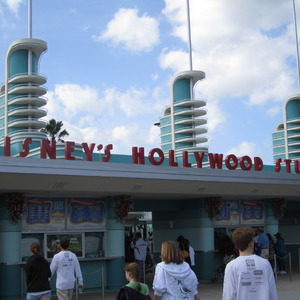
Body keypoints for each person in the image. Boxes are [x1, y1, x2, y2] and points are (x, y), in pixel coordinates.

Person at [222, 227, 278, 300]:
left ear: (236, 245)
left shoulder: (231, 266)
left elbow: (228, 294)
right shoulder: (265, 263)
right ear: (251, 243)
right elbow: (272, 292)